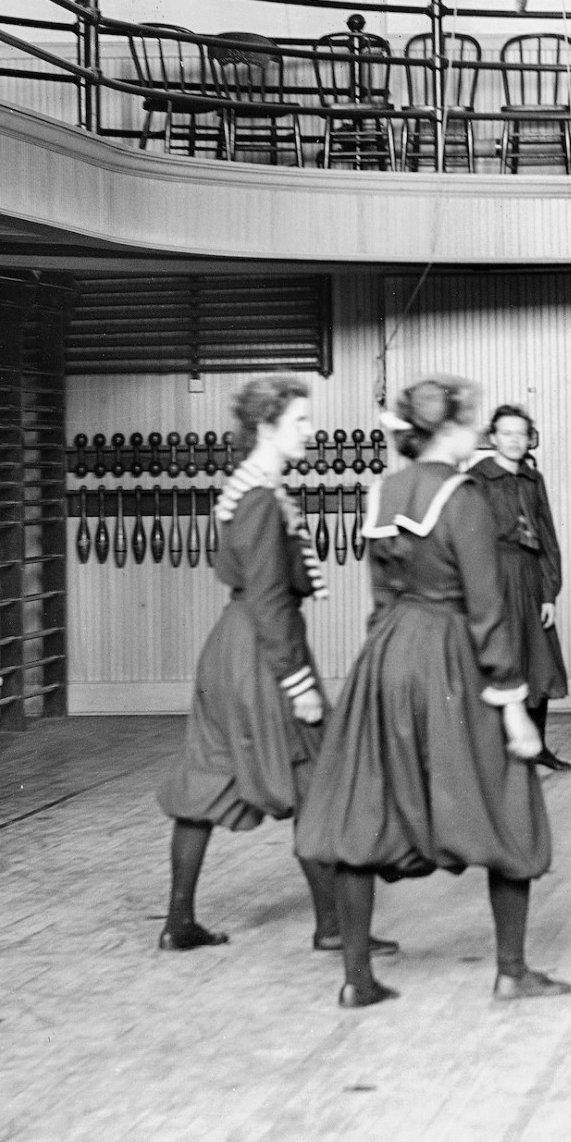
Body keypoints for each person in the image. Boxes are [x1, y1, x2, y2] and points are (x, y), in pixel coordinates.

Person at [294, 376, 571, 1009]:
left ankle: (356, 979)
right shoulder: (464, 495)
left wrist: (384, 656)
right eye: (469, 417)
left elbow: (382, 595)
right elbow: (487, 607)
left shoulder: (383, 491)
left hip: (388, 654)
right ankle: (512, 970)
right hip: (452, 656)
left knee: (365, 808)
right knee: (509, 798)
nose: (477, 425)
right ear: (449, 428)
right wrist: (510, 700)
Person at [153, 374, 387, 959]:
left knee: (205, 780)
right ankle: (332, 926)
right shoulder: (259, 497)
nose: (310, 431)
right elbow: (269, 599)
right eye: (300, 422)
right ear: (266, 428)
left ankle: (179, 921)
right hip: (262, 653)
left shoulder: (247, 487)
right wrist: (299, 682)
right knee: (316, 781)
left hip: (229, 652)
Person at [469, 405, 571, 771]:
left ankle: (539, 747)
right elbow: (471, 539)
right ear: (492, 437)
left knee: (537, 660)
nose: (514, 440)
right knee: (502, 659)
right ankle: (497, 752)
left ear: (529, 439)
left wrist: (549, 593)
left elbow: (547, 536)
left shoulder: (534, 479)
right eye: (506, 433)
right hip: (495, 576)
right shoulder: (477, 479)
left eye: (521, 433)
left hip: (530, 577)